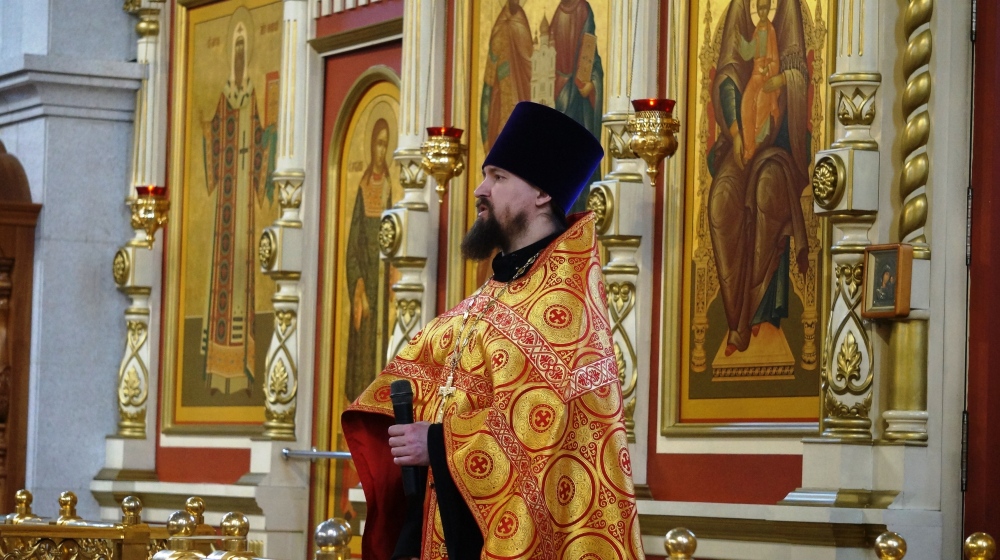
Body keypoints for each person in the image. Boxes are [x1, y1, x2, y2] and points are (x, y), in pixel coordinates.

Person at [343, 102, 644, 560]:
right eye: (486, 175)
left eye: (498, 177)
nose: (480, 190)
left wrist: (437, 443)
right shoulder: (491, 296)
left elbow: (543, 433)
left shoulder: (566, 308)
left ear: (541, 193)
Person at [707, 0, 811, 356]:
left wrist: (784, 81)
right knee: (721, 200)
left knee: (767, 190)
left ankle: (760, 313)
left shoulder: (788, 12)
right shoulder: (740, 11)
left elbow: (799, 77)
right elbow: (727, 76)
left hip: (782, 146)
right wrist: (737, 132)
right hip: (742, 139)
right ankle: (735, 319)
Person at [200, 16, 276, 394]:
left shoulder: (252, 97)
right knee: (223, 278)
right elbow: (215, 134)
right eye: (237, 50)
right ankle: (218, 372)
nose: (241, 56)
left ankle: (243, 370)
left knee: (244, 285)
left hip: (244, 198)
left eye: (245, 50)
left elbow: (262, 138)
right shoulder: (225, 97)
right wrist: (206, 130)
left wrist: (270, 136)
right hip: (227, 203)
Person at [344, 118, 393, 402]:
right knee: (363, 350)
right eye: (378, 143)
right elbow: (352, 246)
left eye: (386, 145)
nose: (381, 150)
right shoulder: (363, 188)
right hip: (365, 284)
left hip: (383, 284)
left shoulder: (389, 187)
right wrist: (358, 286)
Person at [480, 0, 534, 153]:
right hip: (501, 89)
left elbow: (528, 56)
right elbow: (493, 58)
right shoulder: (500, 24)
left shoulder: (521, 20)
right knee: (501, 127)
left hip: (521, 87)